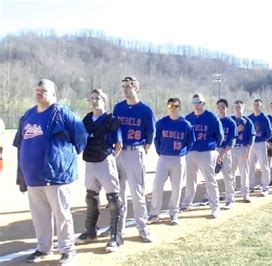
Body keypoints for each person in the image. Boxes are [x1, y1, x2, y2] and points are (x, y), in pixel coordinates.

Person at [13, 79, 88, 264]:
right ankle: (43, 248)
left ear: (53, 94)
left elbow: (81, 138)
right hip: (32, 176)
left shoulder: (63, 113)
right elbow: (20, 143)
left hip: (57, 176)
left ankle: (68, 250)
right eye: (37, 90)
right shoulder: (29, 115)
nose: (39, 93)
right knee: (40, 216)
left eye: (44, 90)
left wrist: (62, 159)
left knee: (62, 215)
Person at [76, 89, 124, 252]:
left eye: (98, 98)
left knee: (113, 199)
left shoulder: (112, 120)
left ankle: (116, 237)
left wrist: (110, 158)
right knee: (91, 196)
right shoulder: (87, 119)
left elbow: (119, 144)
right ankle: (90, 231)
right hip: (90, 161)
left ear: (105, 100)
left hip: (105, 160)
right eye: (92, 98)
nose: (95, 101)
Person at [113, 76, 156, 243]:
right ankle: (119, 229)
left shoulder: (145, 109)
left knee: (137, 193)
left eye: (128, 86)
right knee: (119, 193)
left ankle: (143, 228)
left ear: (136, 88)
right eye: (123, 86)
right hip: (119, 153)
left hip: (134, 152)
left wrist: (145, 148)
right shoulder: (118, 107)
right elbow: (114, 128)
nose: (125, 89)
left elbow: (151, 132)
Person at [148, 98, 195, 225]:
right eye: (170, 105)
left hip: (178, 159)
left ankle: (173, 213)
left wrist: (183, 153)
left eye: (176, 106)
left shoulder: (186, 124)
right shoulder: (161, 123)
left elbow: (190, 142)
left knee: (177, 187)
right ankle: (154, 213)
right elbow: (156, 139)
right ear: (168, 107)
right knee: (157, 185)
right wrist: (160, 151)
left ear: (180, 107)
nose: (173, 108)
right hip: (163, 157)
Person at [180, 93, 224, 218]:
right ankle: (186, 203)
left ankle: (215, 206)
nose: (196, 104)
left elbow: (219, 136)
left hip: (207, 152)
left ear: (203, 103)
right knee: (190, 180)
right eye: (194, 102)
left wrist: (213, 147)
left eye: (198, 102)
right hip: (191, 152)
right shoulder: (188, 118)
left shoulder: (212, 117)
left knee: (210, 180)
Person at [231, 100, 255, 203]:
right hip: (232, 149)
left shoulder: (247, 121)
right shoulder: (230, 121)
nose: (237, 109)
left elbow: (252, 137)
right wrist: (237, 130)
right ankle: (231, 195)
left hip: (243, 148)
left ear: (243, 108)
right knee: (230, 173)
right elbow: (226, 135)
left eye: (239, 107)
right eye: (236, 107)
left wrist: (248, 151)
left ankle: (245, 194)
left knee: (244, 173)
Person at [216, 99, 238, 209]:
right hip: (214, 151)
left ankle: (230, 199)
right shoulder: (215, 121)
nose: (221, 109)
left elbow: (232, 140)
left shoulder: (231, 122)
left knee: (227, 175)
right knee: (210, 176)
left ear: (227, 108)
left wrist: (223, 153)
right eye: (219, 107)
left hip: (226, 150)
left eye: (223, 107)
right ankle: (211, 198)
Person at [248, 99, 272, 196]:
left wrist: (264, 139)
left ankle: (265, 187)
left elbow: (269, 133)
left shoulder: (265, 118)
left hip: (261, 143)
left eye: (258, 105)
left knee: (264, 166)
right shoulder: (249, 118)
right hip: (251, 144)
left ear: (261, 106)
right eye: (255, 105)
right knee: (251, 166)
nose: (256, 107)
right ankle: (250, 186)